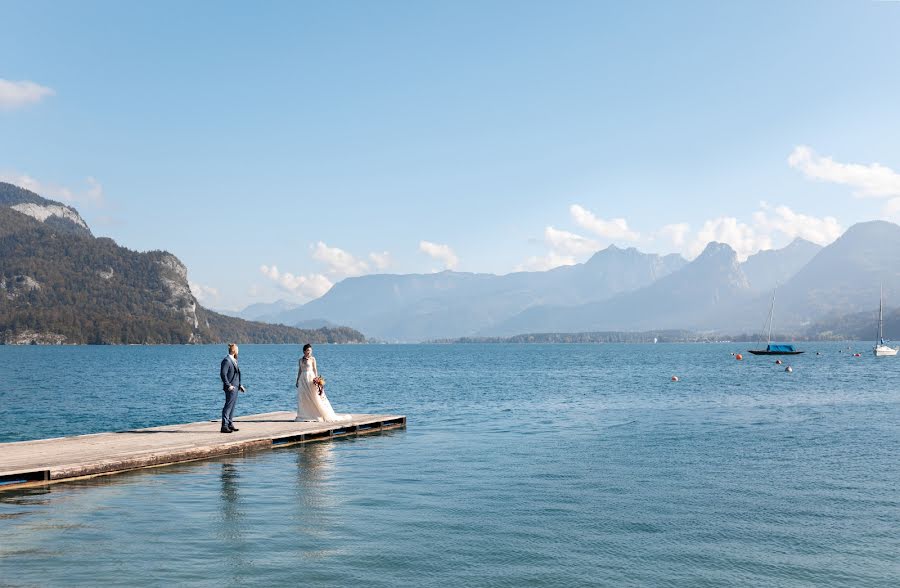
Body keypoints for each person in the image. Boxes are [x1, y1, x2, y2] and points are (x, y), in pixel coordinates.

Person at [295, 343, 350, 422]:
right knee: (303, 397)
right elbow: (299, 371)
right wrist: (297, 380)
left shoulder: (313, 359)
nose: (309, 352)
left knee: (313, 396)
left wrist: (317, 380)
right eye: (308, 350)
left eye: (310, 350)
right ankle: (305, 415)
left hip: (310, 378)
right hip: (303, 380)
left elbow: (315, 369)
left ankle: (317, 414)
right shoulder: (300, 360)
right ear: (304, 351)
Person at [220, 343, 245, 433]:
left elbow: (237, 374)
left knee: (232, 406)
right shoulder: (227, 360)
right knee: (228, 406)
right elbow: (223, 374)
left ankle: (230, 424)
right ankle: (224, 426)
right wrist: (228, 385)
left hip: (236, 386)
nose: (238, 351)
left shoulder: (234, 360)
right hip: (230, 388)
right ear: (234, 350)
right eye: (237, 349)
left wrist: (240, 385)